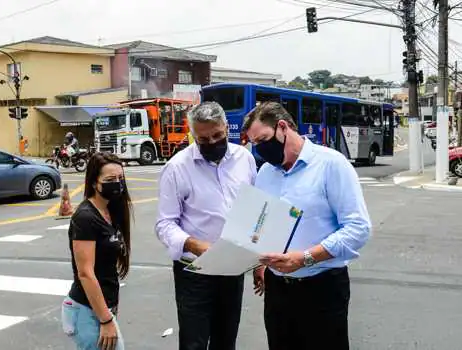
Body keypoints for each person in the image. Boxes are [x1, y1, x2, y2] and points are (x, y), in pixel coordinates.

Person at [243, 102, 371, 350]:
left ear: (283, 127)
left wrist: (305, 258)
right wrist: (258, 262)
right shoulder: (266, 173)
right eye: (254, 144)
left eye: (263, 140)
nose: (260, 150)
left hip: (322, 288)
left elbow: (358, 228)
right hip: (278, 290)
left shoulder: (331, 164)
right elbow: (262, 225)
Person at [155, 101, 257, 350]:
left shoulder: (244, 158)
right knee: (194, 342)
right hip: (195, 270)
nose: (212, 142)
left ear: (226, 127)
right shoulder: (177, 167)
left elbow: (253, 208)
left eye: (218, 135)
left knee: (226, 339)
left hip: (233, 267)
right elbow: (164, 224)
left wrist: (258, 260)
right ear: (193, 135)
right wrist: (193, 244)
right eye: (204, 139)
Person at [61, 152, 132, 350]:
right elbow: (85, 273)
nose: (117, 184)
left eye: (120, 178)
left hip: (101, 307)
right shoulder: (85, 218)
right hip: (87, 311)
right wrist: (105, 319)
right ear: (94, 183)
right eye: (110, 180)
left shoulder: (110, 210)